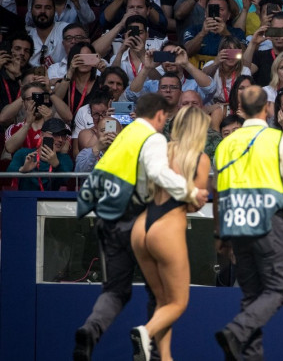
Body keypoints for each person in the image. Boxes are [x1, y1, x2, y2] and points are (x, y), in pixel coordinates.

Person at [74, 93, 209, 360]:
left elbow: (103, 172)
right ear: (159, 115)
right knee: (168, 298)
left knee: (116, 291)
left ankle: (93, 329)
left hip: (112, 220)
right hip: (146, 222)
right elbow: (161, 176)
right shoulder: (157, 141)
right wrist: (190, 192)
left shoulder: (126, 135)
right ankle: (150, 342)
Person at [214, 85, 283, 361]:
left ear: (241, 110)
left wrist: (220, 234)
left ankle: (246, 357)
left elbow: (219, 194)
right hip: (268, 220)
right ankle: (237, 330)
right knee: (281, 286)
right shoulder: (276, 139)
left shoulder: (226, 144)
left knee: (251, 296)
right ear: (268, 109)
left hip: (236, 222)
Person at [129, 106, 211, 361]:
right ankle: (145, 331)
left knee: (163, 302)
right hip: (167, 227)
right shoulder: (200, 158)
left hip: (141, 226)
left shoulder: (159, 150)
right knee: (178, 303)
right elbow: (192, 203)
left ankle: (164, 358)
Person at [7, 117, 74, 191]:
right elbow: (8, 173)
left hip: (52, 200)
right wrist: (22, 169)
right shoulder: (24, 153)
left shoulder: (65, 159)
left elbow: (65, 181)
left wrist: (57, 165)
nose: (61, 140)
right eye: (56, 134)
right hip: (27, 199)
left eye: (64, 136)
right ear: (42, 135)